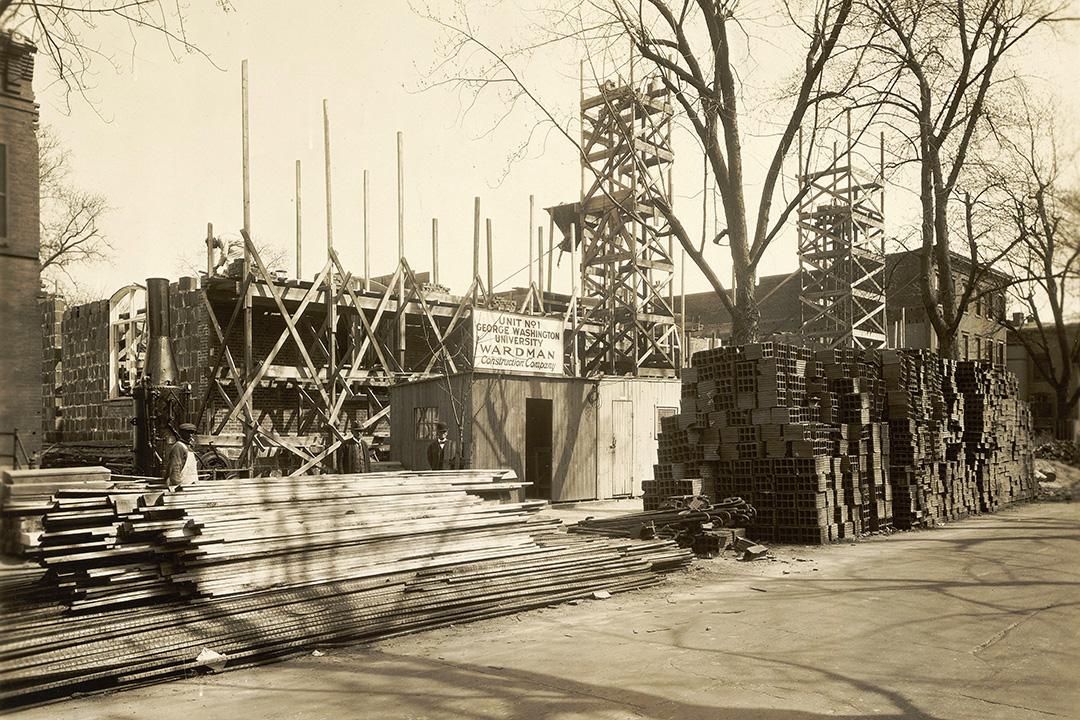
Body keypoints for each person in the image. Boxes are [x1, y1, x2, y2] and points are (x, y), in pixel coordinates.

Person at [164, 423, 199, 488]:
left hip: (190, 485)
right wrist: (177, 486)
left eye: (192, 432)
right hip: (181, 486)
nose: (191, 435)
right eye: (188, 432)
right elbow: (175, 468)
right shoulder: (178, 447)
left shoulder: (188, 447)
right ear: (181, 433)